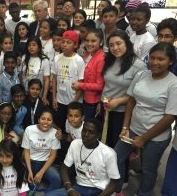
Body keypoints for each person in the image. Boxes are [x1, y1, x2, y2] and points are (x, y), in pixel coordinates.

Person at [114, 42, 177, 196]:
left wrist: (143, 138)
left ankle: (143, 193)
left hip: (156, 137)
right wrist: (125, 127)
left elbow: (170, 117)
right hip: (133, 128)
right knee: (116, 157)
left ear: (170, 61)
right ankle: (117, 188)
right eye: (152, 58)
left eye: (161, 59)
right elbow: (131, 101)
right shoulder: (141, 75)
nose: (155, 62)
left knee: (148, 170)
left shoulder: (173, 83)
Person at [46, 118, 120, 196]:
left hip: (101, 190)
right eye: (84, 130)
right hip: (79, 187)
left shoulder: (108, 153)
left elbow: (114, 182)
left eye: (91, 132)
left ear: (98, 135)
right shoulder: (75, 144)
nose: (86, 134)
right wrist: (69, 189)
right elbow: (64, 169)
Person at [102, 30, 146, 148]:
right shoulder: (110, 60)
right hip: (106, 108)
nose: (115, 48)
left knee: (117, 145)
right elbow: (107, 85)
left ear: (127, 43)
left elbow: (139, 94)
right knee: (105, 142)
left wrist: (119, 101)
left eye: (118, 43)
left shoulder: (138, 65)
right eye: (111, 45)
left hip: (122, 112)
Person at [22, 108, 61, 193]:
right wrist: (29, 171)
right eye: (43, 119)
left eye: (49, 120)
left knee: (57, 180)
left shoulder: (55, 133)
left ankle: (46, 193)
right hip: (30, 161)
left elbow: (53, 155)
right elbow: (26, 151)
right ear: (38, 119)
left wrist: (41, 172)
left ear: (52, 121)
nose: (45, 122)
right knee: (27, 184)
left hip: (45, 163)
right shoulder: (29, 129)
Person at [52, 30, 85, 132]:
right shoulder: (57, 58)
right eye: (63, 42)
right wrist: (54, 97)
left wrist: (74, 101)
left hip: (73, 100)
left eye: (68, 42)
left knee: (73, 127)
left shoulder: (79, 60)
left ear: (75, 45)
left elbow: (81, 82)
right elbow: (54, 79)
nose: (64, 45)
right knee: (60, 125)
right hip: (60, 99)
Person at [72, 28, 105, 119]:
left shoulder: (101, 58)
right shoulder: (87, 54)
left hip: (92, 101)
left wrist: (80, 85)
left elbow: (100, 86)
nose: (89, 44)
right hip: (83, 96)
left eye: (93, 41)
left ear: (101, 42)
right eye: (87, 40)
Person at [19, 36, 50, 104]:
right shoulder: (24, 57)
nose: (31, 47)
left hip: (37, 93)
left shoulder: (44, 60)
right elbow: (21, 75)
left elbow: (46, 79)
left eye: (34, 45)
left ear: (39, 47)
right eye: (29, 45)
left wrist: (44, 96)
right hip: (26, 92)